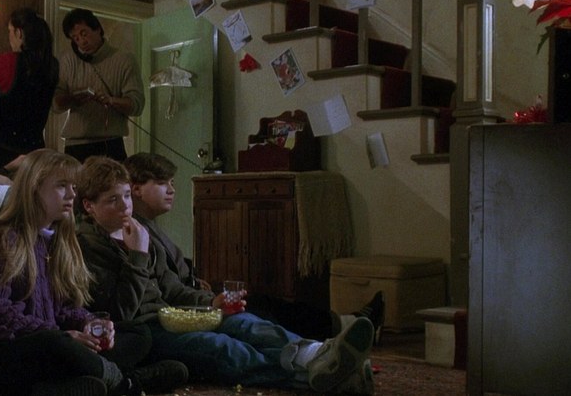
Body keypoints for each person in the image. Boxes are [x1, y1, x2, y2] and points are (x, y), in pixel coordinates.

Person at [75, 156, 375, 393]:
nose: (125, 206)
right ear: (89, 206)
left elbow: (173, 288)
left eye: (127, 196)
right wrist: (137, 257)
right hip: (143, 331)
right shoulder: (86, 246)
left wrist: (211, 302)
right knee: (221, 347)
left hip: (172, 314)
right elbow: (121, 312)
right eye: (113, 200)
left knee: (244, 322)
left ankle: (319, 352)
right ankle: (313, 375)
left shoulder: (138, 232)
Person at [0, 149, 188, 396]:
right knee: (58, 344)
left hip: (52, 344)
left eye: (74, 187)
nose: (71, 194)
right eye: (61, 186)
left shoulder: (56, 239)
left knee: (136, 333)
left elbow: (65, 306)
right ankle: (126, 383)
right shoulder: (4, 240)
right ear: (34, 189)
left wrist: (89, 323)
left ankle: (66, 386)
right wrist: (61, 335)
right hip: (0, 354)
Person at [124, 152, 385, 343]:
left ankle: (345, 324)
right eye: (162, 183)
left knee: (265, 301)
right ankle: (333, 336)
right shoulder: (136, 233)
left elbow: (174, 268)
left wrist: (193, 277)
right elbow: (166, 285)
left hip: (197, 296)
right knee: (256, 309)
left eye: (172, 183)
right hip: (189, 308)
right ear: (136, 190)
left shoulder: (151, 225)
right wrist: (202, 295)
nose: (172, 190)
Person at [0, 8, 58, 174]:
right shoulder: (51, 64)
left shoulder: (11, 62)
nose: (9, 36)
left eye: (10, 31)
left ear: (19, 33)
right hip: (33, 150)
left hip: (3, 149)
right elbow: (16, 72)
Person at [51, 8, 144, 162]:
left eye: (84, 34)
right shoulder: (67, 61)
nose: (82, 42)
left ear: (98, 29)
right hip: (75, 144)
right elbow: (55, 105)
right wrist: (73, 99)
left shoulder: (124, 60)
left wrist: (111, 101)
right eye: (75, 38)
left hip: (110, 142)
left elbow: (137, 105)